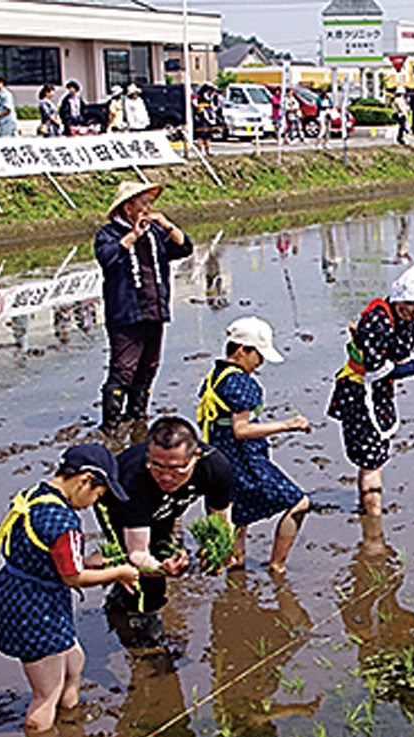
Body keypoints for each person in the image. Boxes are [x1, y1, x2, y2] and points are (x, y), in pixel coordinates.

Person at [0, 444, 139, 731]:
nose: (95, 501)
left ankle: (70, 723)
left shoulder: (34, 496)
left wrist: (86, 561)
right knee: (47, 692)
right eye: (98, 493)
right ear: (84, 480)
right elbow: (72, 578)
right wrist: (116, 573)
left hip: (17, 589)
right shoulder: (63, 521)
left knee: (74, 661)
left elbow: (41, 552)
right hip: (33, 605)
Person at [327, 259, 414, 516]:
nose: (411, 316)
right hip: (359, 392)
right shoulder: (377, 320)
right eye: (409, 309)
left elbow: (398, 362)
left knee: (377, 455)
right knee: (372, 458)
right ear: (399, 297)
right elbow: (377, 369)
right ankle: (373, 523)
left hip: (378, 392)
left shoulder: (404, 322)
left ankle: (369, 511)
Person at [196, 317, 311, 573]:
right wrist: (288, 424)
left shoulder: (216, 375)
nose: (260, 363)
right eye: (258, 355)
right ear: (241, 350)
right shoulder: (241, 382)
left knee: (237, 519)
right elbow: (242, 429)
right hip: (243, 460)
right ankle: (277, 565)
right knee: (299, 502)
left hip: (219, 457)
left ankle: (236, 580)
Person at [95, 416, 233, 618]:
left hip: (164, 507)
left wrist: (216, 552)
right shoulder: (132, 477)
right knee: (147, 583)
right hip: (118, 509)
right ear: (148, 455)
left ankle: (122, 598)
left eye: (176, 468)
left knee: (163, 548)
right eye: (157, 466)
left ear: (195, 456)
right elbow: (137, 553)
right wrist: (161, 568)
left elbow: (221, 521)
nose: (166, 477)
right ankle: (141, 633)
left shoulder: (215, 467)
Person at [94, 181, 194, 434]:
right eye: (144, 203)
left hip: (154, 310)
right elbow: (108, 258)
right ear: (129, 208)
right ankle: (110, 425)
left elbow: (184, 247)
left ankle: (137, 416)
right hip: (126, 313)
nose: (149, 208)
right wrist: (133, 236)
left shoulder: (154, 233)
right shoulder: (109, 234)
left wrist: (166, 224)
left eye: (151, 203)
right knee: (123, 369)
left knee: (149, 367)